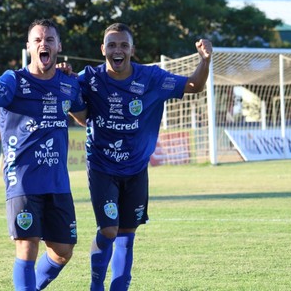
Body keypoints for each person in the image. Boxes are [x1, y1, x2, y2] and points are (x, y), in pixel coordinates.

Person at [73, 23, 212, 291]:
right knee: (109, 230)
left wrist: (204, 61)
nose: (118, 50)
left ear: (132, 50)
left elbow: (194, 85)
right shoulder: (89, 78)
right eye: (112, 44)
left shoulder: (152, 78)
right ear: (103, 49)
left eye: (124, 45)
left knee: (127, 234)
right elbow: (68, 96)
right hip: (103, 167)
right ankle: (95, 286)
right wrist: (65, 76)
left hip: (137, 169)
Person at [0, 19, 87, 291]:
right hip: (24, 181)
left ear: (58, 46)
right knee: (27, 247)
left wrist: (77, 80)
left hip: (58, 183)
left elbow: (85, 116)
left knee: (63, 251)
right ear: (29, 47)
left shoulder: (67, 84)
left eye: (50, 40)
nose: (44, 44)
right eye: (38, 40)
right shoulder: (14, 81)